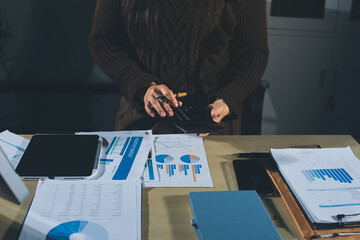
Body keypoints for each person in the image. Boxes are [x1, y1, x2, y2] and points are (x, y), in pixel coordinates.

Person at [89, 0, 269, 135]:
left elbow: (254, 52)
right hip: (141, 116)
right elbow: (103, 40)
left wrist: (228, 98)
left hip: (210, 122)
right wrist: (142, 85)